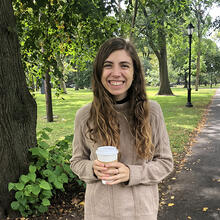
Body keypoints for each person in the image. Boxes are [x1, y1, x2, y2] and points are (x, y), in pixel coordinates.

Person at [70, 38, 173, 220]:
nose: (116, 73)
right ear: (99, 71)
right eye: (108, 65)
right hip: (99, 212)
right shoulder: (84, 116)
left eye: (124, 65)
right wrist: (92, 169)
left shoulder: (152, 112)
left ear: (135, 72)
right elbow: (77, 161)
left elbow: (165, 163)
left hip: (141, 212)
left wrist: (131, 173)